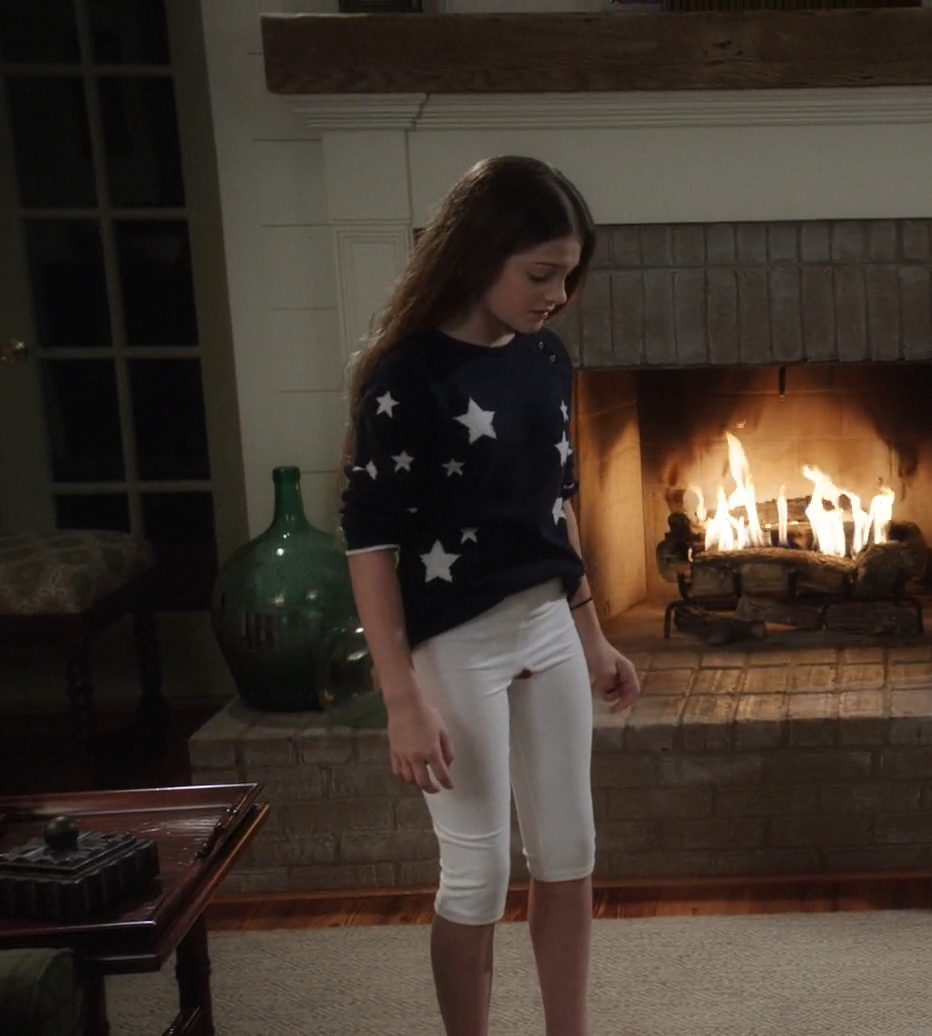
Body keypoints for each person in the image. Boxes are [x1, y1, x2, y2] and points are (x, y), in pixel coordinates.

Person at [339, 155, 640, 1036]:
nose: (557, 296)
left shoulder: (546, 357)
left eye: (568, 276)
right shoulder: (406, 376)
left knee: (570, 851)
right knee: (476, 875)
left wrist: (592, 635)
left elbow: (558, 506)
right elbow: (369, 545)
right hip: (454, 641)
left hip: (547, 622)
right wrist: (401, 698)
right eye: (540, 274)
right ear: (480, 254)